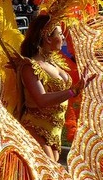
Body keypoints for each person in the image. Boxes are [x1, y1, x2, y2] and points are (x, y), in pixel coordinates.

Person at [19, 14, 95, 162]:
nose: (64, 38)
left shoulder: (54, 63)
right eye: (60, 34)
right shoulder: (30, 66)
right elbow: (41, 99)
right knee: (50, 179)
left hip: (54, 133)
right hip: (35, 130)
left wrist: (80, 87)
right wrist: (72, 90)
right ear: (48, 38)